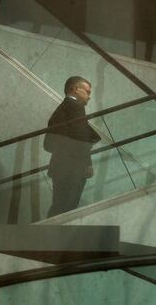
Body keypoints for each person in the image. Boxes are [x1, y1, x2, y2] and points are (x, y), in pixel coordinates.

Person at [44, 76, 100, 217]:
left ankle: (48, 235)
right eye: (87, 92)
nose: (89, 97)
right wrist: (87, 164)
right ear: (75, 89)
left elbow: (51, 143)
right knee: (66, 208)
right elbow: (81, 139)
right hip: (72, 168)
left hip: (61, 167)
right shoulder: (76, 107)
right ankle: (51, 237)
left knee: (59, 206)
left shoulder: (63, 108)